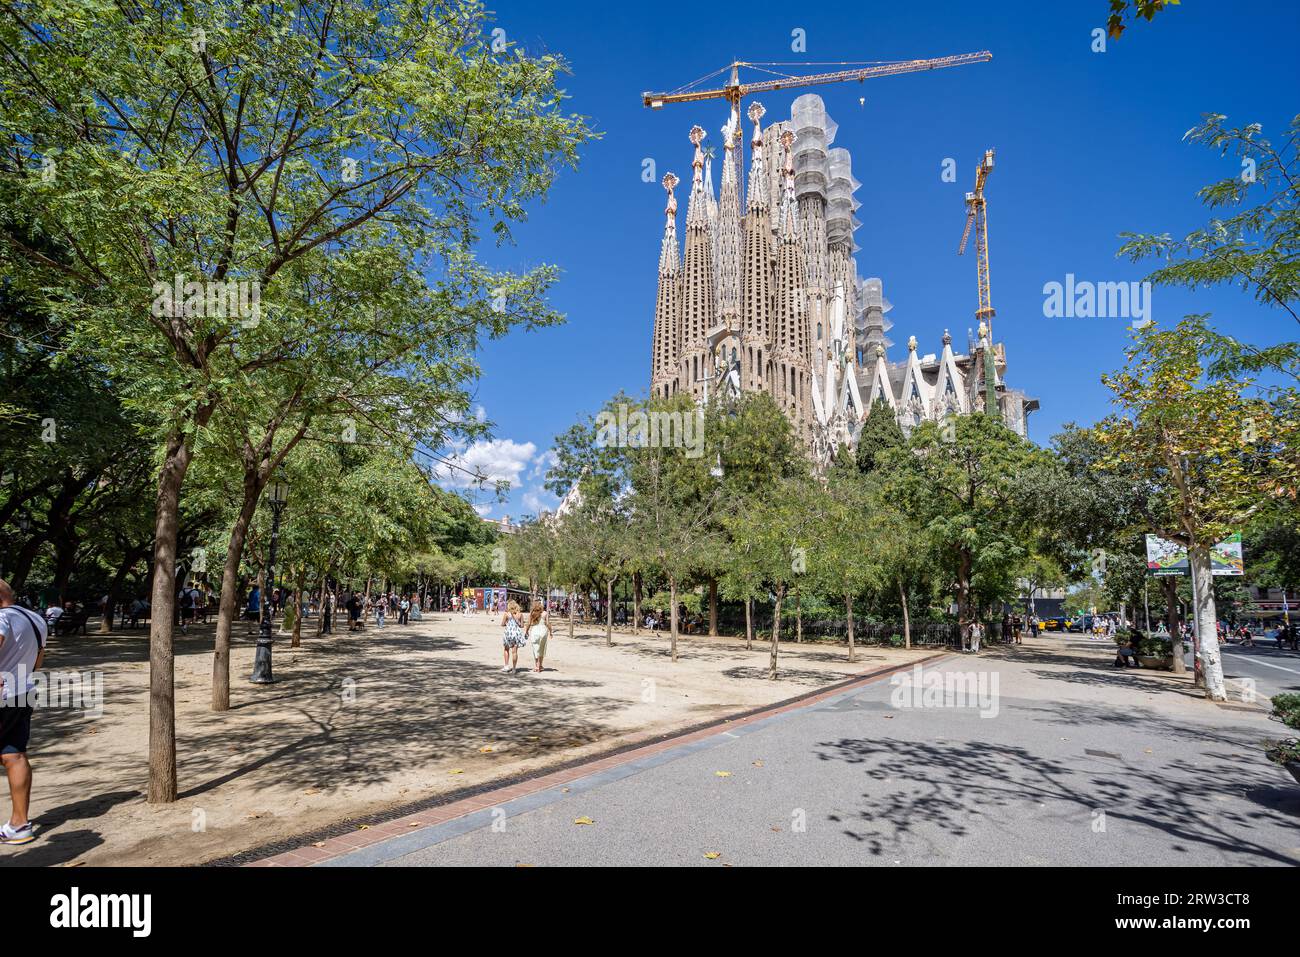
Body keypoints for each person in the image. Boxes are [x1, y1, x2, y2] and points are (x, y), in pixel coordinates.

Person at [0, 578, 47, 845]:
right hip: (23, 689)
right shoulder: (35, 618)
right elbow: (38, 661)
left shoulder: (1, 619)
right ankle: (19, 825)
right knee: (13, 754)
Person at [500, 600, 526, 674]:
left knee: (506, 649)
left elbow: (502, 624)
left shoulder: (506, 614)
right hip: (516, 633)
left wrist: (507, 624)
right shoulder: (520, 614)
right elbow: (522, 626)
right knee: (514, 652)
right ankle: (514, 668)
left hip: (508, 633)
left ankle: (506, 666)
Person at [527, 604, 549, 673]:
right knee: (541, 648)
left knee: (535, 649)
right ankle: (540, 665)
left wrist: (526, 631)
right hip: (543, 631)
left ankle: (537, 666)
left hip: (535, 631)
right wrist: (551, 632)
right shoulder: (545, 613)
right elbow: (548, 623)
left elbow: (529, 623)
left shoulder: (532, 613)